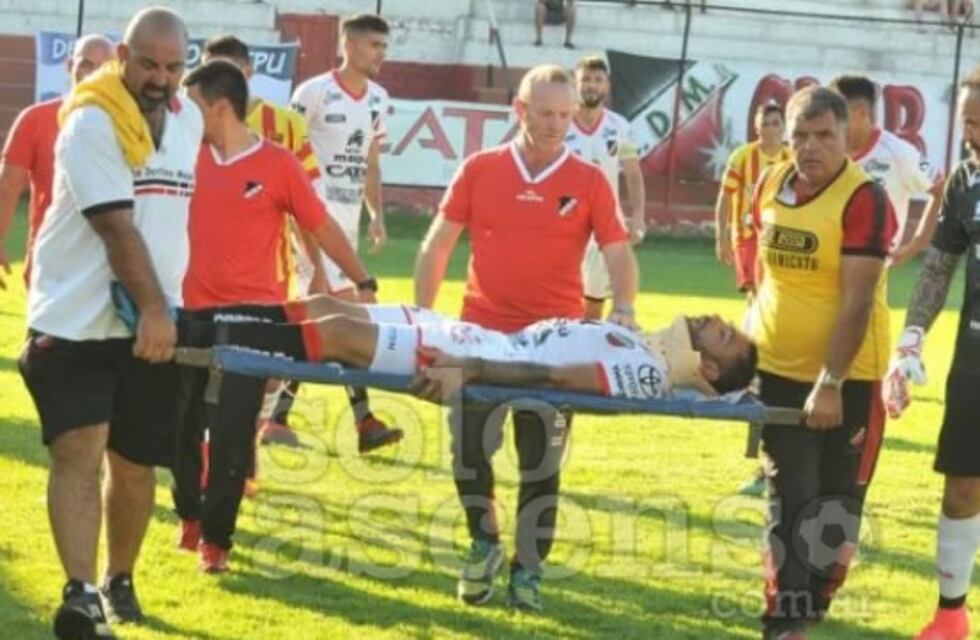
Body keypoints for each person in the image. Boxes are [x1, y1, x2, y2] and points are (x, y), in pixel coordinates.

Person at [414, 64, 639, 612]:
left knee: (541, 464)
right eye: (545, 114)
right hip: (479, 336)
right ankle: (484, 542)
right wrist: (421, 317)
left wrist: (626, 308)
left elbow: (616, 251)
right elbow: (438, 243)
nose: (557, 124)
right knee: (468, 451)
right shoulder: (480, 169)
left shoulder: (589, 180)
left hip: (554, 346)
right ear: (520, 110)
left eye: (565, 114)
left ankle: (528, 572)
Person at [17, 8, 201, 639]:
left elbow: (169, 222)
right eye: (148, 64)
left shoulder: (188, 119)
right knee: (80, 450)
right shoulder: (91, 121)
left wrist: (166, 309)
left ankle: (119, 578)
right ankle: (81, 593)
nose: (161, 78)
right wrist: (153, 309)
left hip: (154, 324)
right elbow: (116, 229)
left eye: (173, 67)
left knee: (135, 462)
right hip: (74, 319)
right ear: (123, 56)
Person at [175, 59, 378, 573]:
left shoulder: (278, 164)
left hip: (256, 319)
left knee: (233, 435)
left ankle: (216, 541)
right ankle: (189, 510)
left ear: (218, 107)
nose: (181, 114)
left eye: (190, 105)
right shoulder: (181, 157)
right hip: (189, 312)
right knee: (179, 428)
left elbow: (322, 225)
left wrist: (362, 279)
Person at [748, 86, 896, 639]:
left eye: (824, 136)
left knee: (836, 504)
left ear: (847, 137)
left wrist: (830, 382)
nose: (810, 147)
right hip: (778, 370)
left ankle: (810, 604)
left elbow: (858, 301)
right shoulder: (769, 184)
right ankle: (785, 619)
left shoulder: (865, 199)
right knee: (791, 494)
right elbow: (764, 274)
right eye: (800, 136)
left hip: (850, 378)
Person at [192, 296, 758, 402]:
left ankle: (197, 337)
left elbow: (560, 379)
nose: (717, 321)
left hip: (476, 357)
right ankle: (198, 320)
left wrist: (472, 368)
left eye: (725, 334)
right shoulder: (644, 344)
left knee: (337, 332)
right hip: (476, 337)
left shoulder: (649, 373)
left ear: (707, 367)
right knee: (324, 304)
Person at [885, 66, 980, 640]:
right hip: (975, 361)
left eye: (978, 122)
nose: (969, 133)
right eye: (966, 120)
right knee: (963, 486)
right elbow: (939, 267)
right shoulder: (966, 180)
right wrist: (912, 337)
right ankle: (951, 616)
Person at [201, 35, 327, 449]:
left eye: (230, 69)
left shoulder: (285, 124)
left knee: (267, 370)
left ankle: (250, 437)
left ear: (249, 71)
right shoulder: (191, 121)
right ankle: (215, 445)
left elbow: (306, 205)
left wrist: (318, 269)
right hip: (203, 268)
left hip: (271, 267)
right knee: (208, 365)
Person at [290, 13, 403, 454]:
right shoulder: (313, 93)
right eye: (374, 45)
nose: (381, 54)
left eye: (384, 47)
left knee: (333, 320)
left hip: (347, 226)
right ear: (348, 45)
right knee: (336, 318)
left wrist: (377, 214)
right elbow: (289, 158)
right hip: (311, 225)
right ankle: (361, 420)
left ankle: (284, 415)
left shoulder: (378, 98)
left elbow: (371, 162)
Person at [714, 101, 789, 498]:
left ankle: (757, 344)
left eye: (776, 123)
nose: (771, 129)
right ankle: (757, 345)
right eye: (766, 123)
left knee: (765, 301)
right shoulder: (744, 157)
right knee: (757, 297)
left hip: (775, 240)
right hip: (746, 238)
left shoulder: (792, 158)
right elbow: (725, 198)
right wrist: (721, 235)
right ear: (757, 126)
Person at [0, 34, 114, 290]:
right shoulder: (35, 119)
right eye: (86, 64)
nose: (94, 75)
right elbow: (7, 185)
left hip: (108, 265)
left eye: (103, 67)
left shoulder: (130, 126)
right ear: (70, 65)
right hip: (50, 264)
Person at [828, 74, 944, 266]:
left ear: (862, 113)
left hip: (871, 266)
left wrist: (916, 243)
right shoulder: (827, 149)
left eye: (838, 113)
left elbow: (941, 187)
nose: (831, 120)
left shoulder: (900, 152)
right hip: (825, 262)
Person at [565, 56, 646, 321]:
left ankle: (588, 343)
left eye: (598, 80)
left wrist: (638, 217)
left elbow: (633, 175)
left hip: (604, 221)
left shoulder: (619, 127)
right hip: (564, 217)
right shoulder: (561, 122)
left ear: (607, 86)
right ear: (574, 84)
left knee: (594, 299)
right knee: (558, 292)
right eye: (585, 79)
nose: (591, 85)